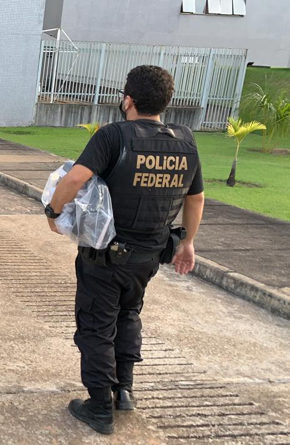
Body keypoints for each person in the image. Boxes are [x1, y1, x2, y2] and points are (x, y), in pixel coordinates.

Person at [45, 65, 205, 434]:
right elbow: (195, 199)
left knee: (97, 326)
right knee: (128, 315)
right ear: (166, 101)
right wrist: (188, 243)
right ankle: (124, 390)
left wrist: (53, 211)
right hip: (150, 256)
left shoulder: (113, 135)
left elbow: (75, 177)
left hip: (106, 255)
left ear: (128, 100)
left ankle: (100, 407)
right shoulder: (184, 141)